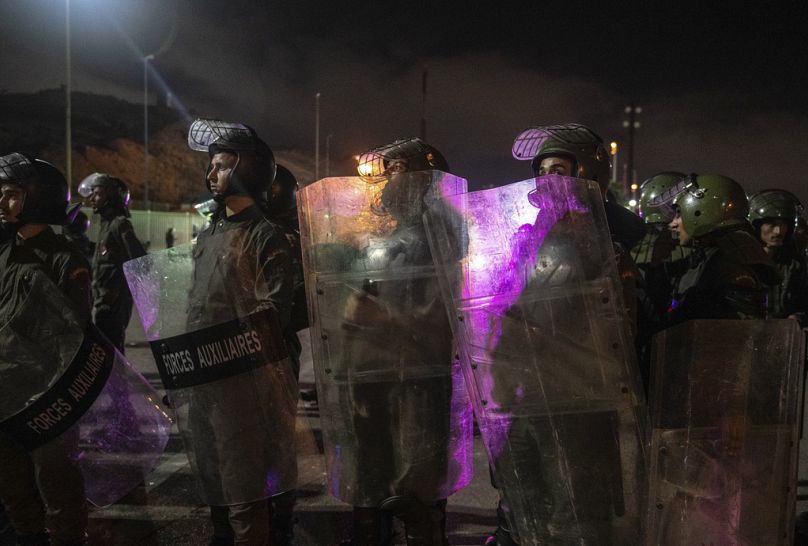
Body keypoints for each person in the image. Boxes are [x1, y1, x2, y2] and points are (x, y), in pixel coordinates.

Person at [480, 124, 647, 545]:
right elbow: (504, 305)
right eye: (543, 171)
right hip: (525, 393)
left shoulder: (606, 247)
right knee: (520, 496)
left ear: (585, 173)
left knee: (575, 505)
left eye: (558, 169)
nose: (547, 179)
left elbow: (618, 328)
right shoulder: (528, 237)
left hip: (575, 397)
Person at [185, 119, 299, 546]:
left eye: (220, 165)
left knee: (243, 489)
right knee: (213, 483)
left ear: (246, 169)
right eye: (210, 166)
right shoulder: (209, 233)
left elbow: (271, 318)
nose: (210, 174)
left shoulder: (266, 236)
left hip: (242, 385)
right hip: (203, 382)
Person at [0, 152, 91, 546]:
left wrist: (51, 393)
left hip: (45, 396)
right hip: (6, 391)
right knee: (14, 489)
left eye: (13, 194)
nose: (3, 203)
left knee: (58, 487)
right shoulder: (5, 254)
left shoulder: (63, 258)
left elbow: (75, 334)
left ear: (38, 197)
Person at [660, 174, 780, 324]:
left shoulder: (732, 267)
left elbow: (739, 333)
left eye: (679, 214)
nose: (673, 224)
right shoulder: (707, 256)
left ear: (701, 212)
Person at [77, 173, 146, 351]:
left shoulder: (119, 224)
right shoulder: (105, 226)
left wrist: (118, 290)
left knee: (112, 352)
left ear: (111, 197)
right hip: (103, 300)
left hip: (114, 302)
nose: (92, 198)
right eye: (91, 193)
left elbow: (140, 261)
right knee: (105, 350)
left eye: (97, 193)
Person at [747, 189, 808, 323]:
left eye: (782, 224)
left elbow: (803, 302)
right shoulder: (742, 262)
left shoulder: (795, 264)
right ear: (757, 226)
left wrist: (798, 317)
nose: (778, 231)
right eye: (771, 224)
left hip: (783, 336)